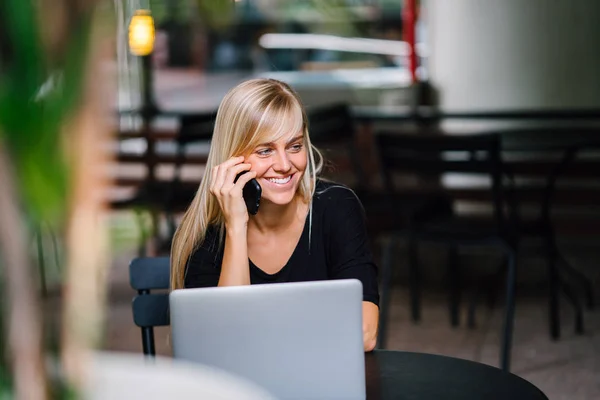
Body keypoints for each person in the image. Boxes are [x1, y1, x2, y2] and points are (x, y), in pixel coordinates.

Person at [170, 78, 379, 351]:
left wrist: (261, 334)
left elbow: (365, 334)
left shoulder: (336, 208)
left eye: (294, 146)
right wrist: (236, 226)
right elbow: (225, 345)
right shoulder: (207, 234)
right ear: (232, 158)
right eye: (265, 150)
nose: (284, 165)